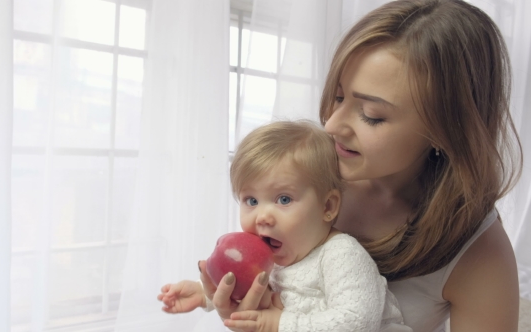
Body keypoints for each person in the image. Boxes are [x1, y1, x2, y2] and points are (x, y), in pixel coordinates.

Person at [198, 1, 522, 331]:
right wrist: (242, 311)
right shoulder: (309, 176)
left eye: (371, 114)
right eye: (338, 97)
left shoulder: (480, 252)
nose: (332, 126)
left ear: (445, 130)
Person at [158, 120, 411, 331]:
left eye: (284, 199)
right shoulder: (275, 255)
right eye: (252, 200)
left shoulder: (341, 254)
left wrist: (279, 324)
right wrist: (205, 294)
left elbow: (357, 322)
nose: (263, 216)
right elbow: (249, 287)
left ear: (327, 207)